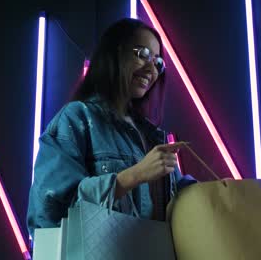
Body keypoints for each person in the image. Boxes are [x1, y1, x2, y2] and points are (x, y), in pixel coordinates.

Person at [27, 18, 196, 238]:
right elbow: (50, 212)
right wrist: (132, 176)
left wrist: (217, 192)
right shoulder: (77, 118)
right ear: (115, 54)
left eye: (158, 62)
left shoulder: (152, 137)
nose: (151, 69)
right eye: (143, 54)